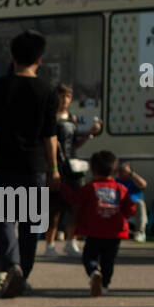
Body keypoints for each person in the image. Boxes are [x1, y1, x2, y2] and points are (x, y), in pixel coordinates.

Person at [0, 29, 60, 298]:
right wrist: (54, 168)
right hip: (35, 165)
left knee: (2, 218)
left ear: (12, 57)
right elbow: (50, 136)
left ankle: (12, 265)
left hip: (4, 163)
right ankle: (22, 273)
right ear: (40, 59)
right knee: (30, 224)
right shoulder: (47, 90)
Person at [58, 150, 135, 296]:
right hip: (115, 232)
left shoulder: (90, 188)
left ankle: (94, 272)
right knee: (108, 260)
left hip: (94, 231)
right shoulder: (120, 189)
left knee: (89, 257)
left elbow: (74, 199)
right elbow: (130, 209)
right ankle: (105, 285)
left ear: (93, 170)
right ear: (114, 170)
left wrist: (61, 186)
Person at [48, 82, 103, 256]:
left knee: (75, 205)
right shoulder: (49, 117)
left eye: (68, 96)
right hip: (56, 166)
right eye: (62, 95)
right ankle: (50, 243)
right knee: (54, 207)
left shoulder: (71, 118)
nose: (65, 100)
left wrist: (89, 134)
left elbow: (75, 144)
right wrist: (53, 167)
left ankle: (71, 241)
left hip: (73, 165)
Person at [117, 160, 148, 242]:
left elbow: (143, 184)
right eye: (119, 170)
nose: (120, 172)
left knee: (140, 203)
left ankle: (140, 232)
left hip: (133, 207)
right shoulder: (116, 181)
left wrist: (130, 173)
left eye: (122, 170)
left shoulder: (134, 181)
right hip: (120, 207)